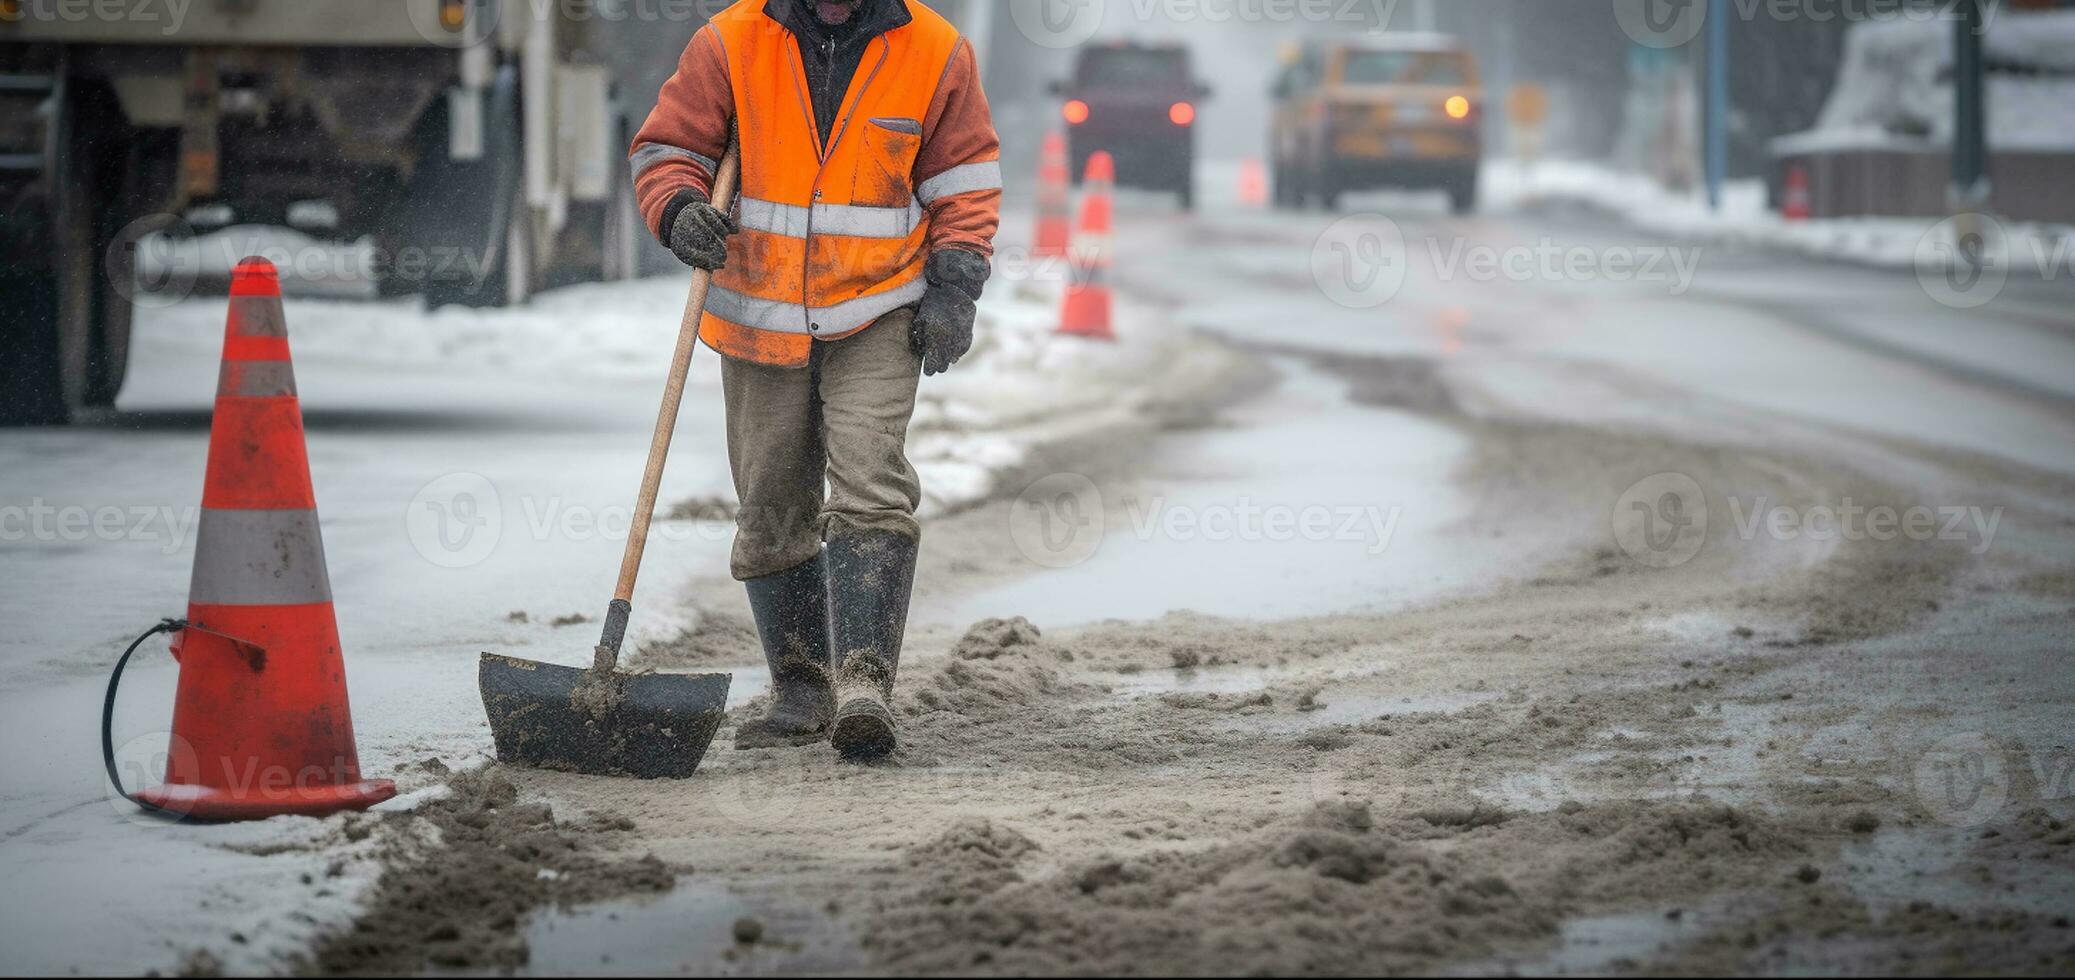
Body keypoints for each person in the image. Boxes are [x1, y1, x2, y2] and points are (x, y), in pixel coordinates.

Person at [630, 0, 1001, 759]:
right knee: (769, 501)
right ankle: (801, 690)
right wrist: (676, 208)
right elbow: (667, 148)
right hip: (759, 313)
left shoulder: (934, 51)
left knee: (870, 477)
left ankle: (863, 684)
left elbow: (962, 183)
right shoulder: (731, 42)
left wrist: (955, 285)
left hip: (880, 308)